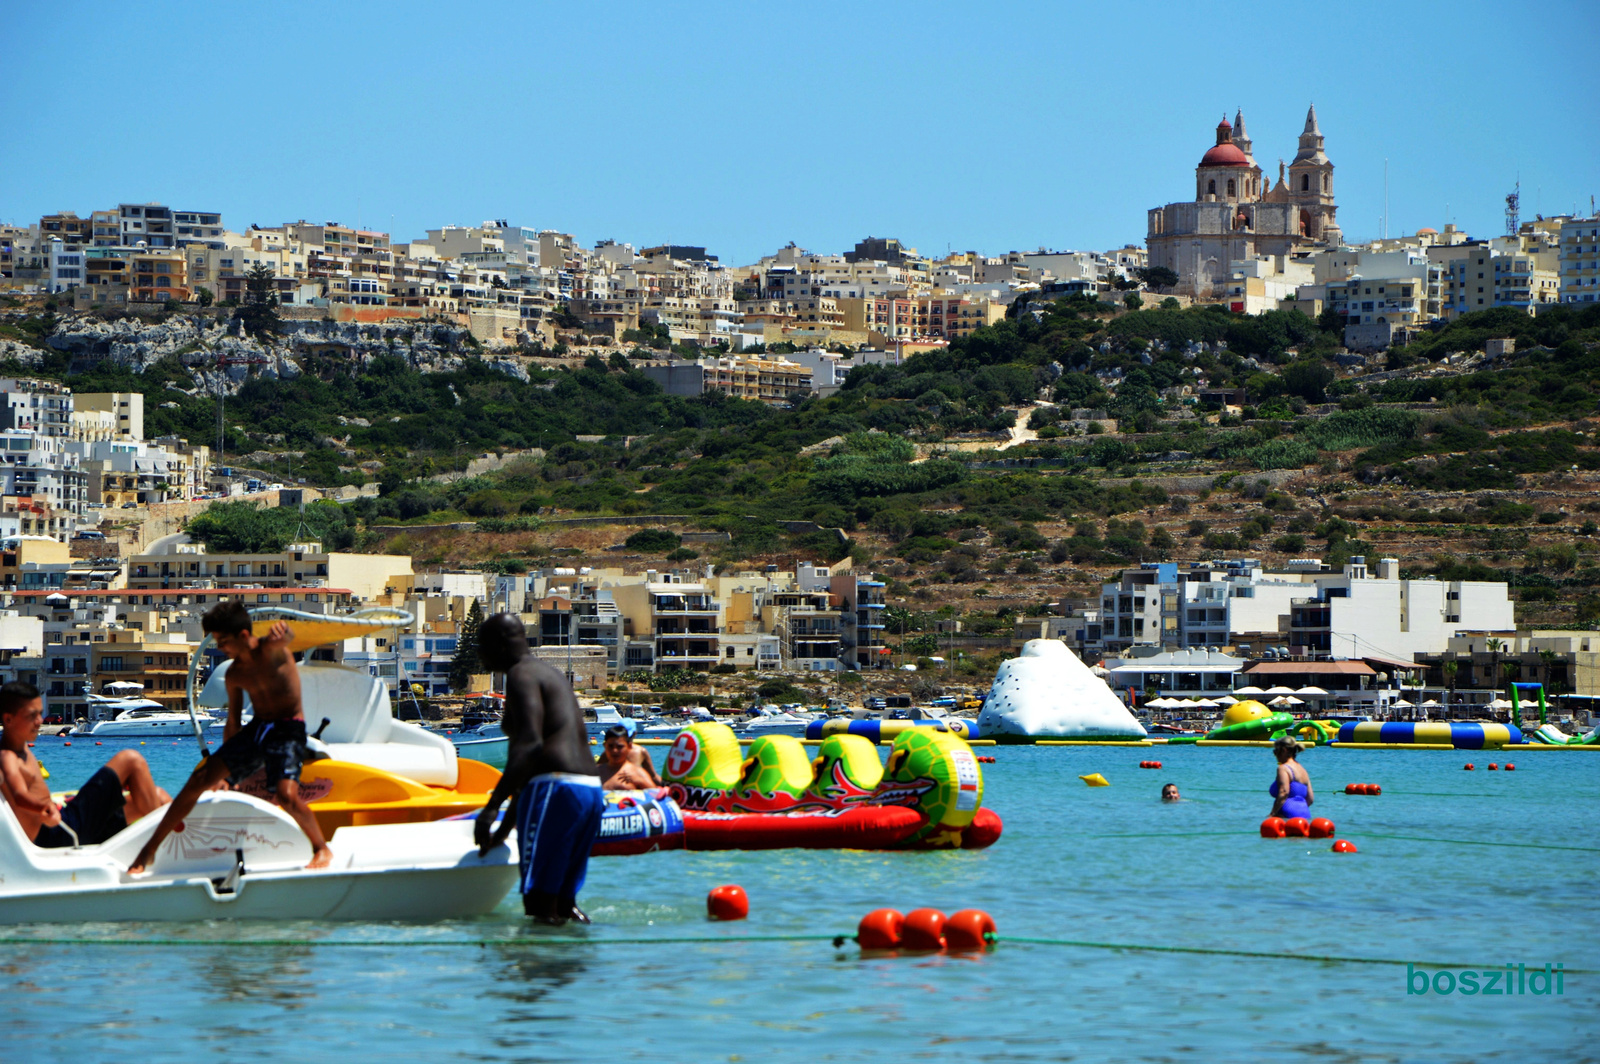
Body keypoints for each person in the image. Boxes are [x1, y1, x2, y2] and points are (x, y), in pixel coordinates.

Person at [129, 602, 330, 874]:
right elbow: (233, 723)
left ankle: (321, 847)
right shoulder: (234, 673)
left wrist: (287, 635)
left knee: (286, 795)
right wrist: (225, 773)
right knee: (199, 779)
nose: (220, 647)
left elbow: (287, 639)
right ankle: (148, 850)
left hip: (288, 728)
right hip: (259, 728)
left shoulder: (271, 650)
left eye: (223, 641)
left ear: (244, 636)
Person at [474, 613, 605, 925]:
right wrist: (504, 831)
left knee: (539, 904)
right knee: (563, 903)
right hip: (588, 790)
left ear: (499, 645)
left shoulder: (521, 675)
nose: (479, 653)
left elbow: (530, 746)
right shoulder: (550, 673)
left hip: (556, 788)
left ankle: (537, 972)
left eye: (482, 645)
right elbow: (532, 772)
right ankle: (573, 971)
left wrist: (491, 808)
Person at [0, 682, 170, 847]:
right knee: (131, 759)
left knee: (158, 795)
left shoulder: (20, 748)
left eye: (40, 714)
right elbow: (19, 795)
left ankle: (178, 846)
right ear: (8, 719)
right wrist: (44, 807)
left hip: (63, 825)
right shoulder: (7, 756)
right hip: (58, 833)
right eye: (32, 715)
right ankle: (156, 850)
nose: (39, 721)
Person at [596, 724, 661, 790]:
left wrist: (639, 781)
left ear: (629, 747)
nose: (614, 750)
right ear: (605, 746)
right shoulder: (596, 772)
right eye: (610, 746)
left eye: (620, 747)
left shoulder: (637, 773)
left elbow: (655, 795)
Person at [1268, 735, 1313, 820]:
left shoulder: (1283, 768)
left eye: (1275, 751)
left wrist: (1272, 814)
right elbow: (1310, 799)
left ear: (1284, 750)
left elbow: (1284, 792)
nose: (1275, 755)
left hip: (1286, 814)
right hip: (1305, 815)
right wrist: (1298, 809)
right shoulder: (1303, 770)